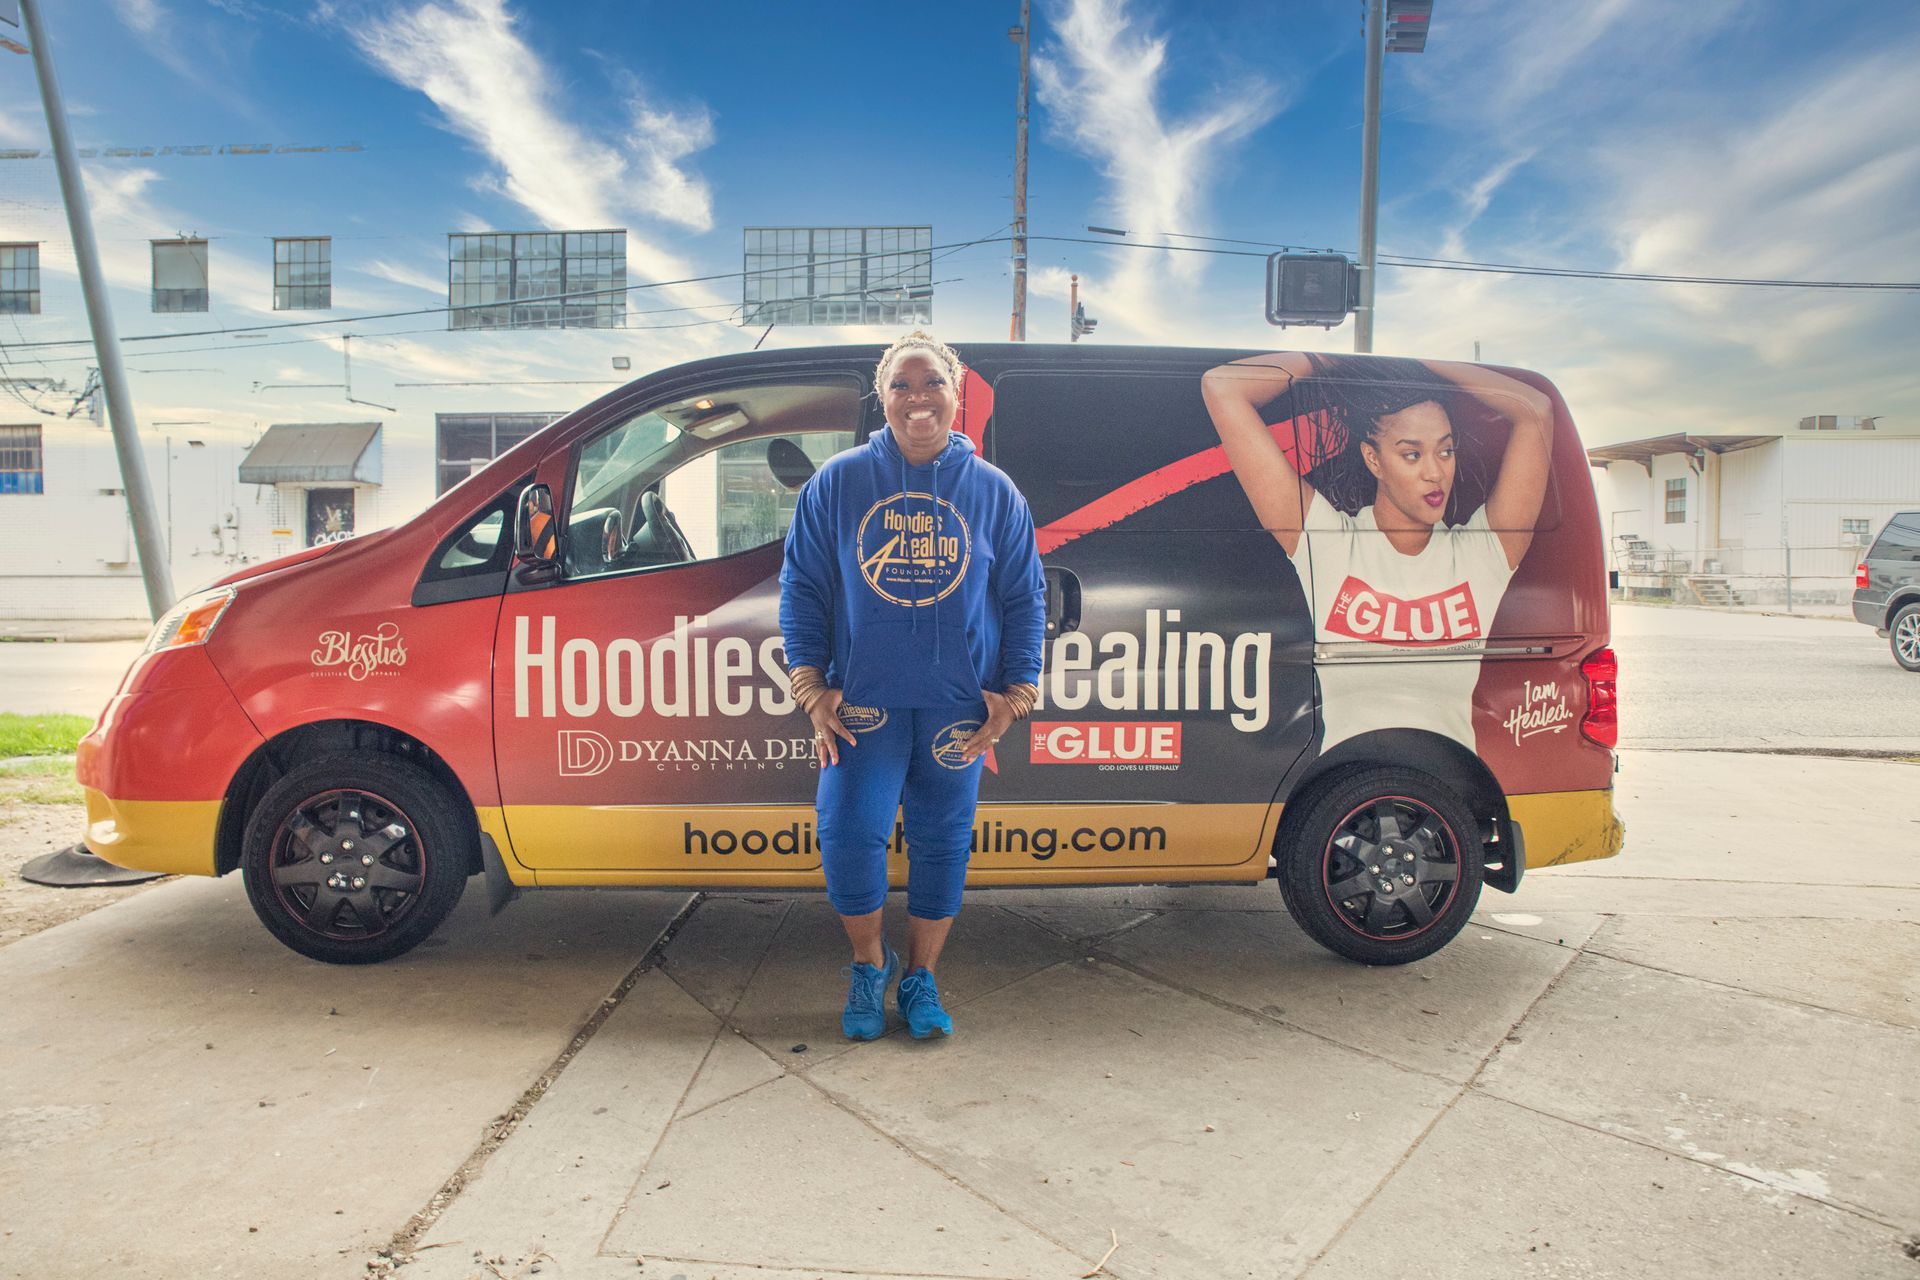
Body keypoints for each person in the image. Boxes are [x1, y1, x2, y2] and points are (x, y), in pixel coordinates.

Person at [779, 331, 1046, 1041]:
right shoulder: (838, 482)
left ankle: (922, 977)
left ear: (957, 396)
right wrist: (810, 686)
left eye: (933, 384)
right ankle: (870, 965)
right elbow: (802, 588)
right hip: (864, 704)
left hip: (957, 708)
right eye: (901, 384)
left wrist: (1017, 692)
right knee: (846, 833)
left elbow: (1024, 597)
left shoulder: (993, 491)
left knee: (942, 841)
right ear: (882, 397)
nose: (917, 398)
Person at [1200, 351, 1554, 753]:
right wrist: (1338, 360)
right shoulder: (1328, 544)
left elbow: (1536, 410)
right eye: (1412, 454)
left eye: (1445, 451)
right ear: (1374, 459)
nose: (1435, 472)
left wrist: (1423, 361)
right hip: (1350, 787)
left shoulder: (1482, 554)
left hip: (1445, 786)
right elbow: (1223, 387)